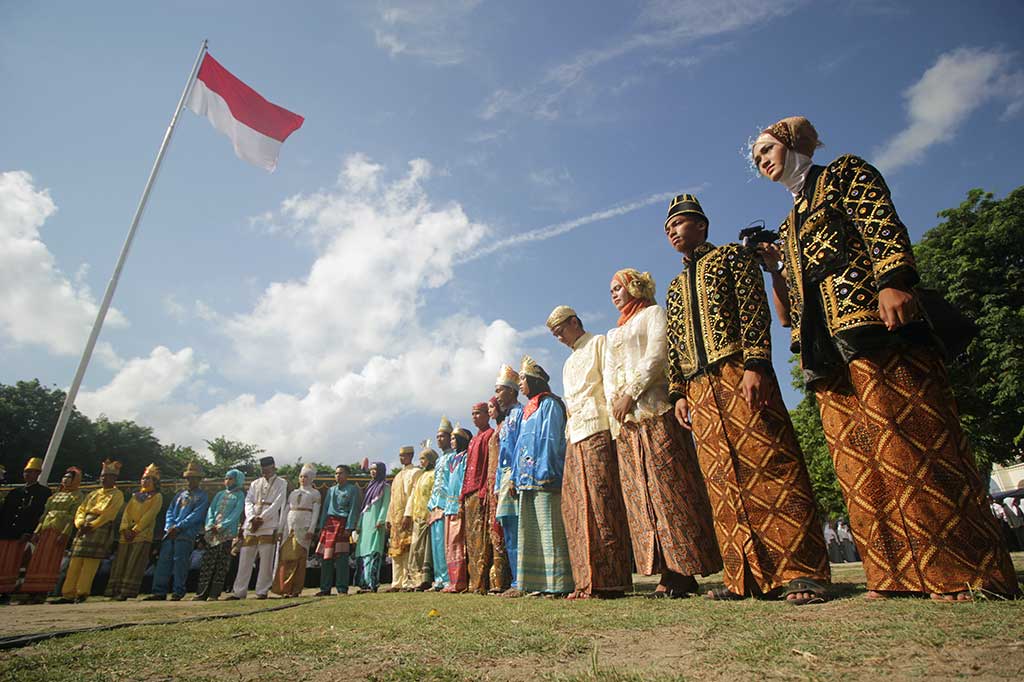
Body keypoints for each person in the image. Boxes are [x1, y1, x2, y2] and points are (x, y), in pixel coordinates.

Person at [750, 115, 1017, 601]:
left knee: (909, 439)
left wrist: (894, 280)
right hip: (826, 346)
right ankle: (891, 574)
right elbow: (789, 313)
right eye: (756, 158)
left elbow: (880, 221)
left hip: (873, 324)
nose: (762, 160)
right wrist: (774, 270)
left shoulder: (845, 172)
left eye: (767, 149)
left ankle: (962, 572)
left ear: (791, 143)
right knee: (858, 459)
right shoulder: (790, 222)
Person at [662, 194, 830, 604]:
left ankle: (802, 573)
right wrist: (678, 392)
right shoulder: (673, 287)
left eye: (679, 223)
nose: (672, 231)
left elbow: (755, 309)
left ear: (701, 225)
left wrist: (756, 363)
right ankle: (744, 578)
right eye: (668, 227)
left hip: (739, 371)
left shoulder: (731, 259)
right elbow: (674, 343)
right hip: (699, 390)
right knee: (721, 480)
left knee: (770, 463)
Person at [605, 269, 722, 598]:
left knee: (670, 490)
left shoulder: (654, 314)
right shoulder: (614, 334)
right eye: (611, 290)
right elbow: (611, 372)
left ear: (634, 286)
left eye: (619, 288)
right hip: (628, 421)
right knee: (642, 497)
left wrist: (631, 392)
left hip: (656, 409)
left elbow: (657, 356)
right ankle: (666, 570)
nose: (614, 294)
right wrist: (617, 402)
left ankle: (684, 568)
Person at [547, 306, 632, 600]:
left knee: (602, 502)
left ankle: (610, 581)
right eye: (554, 335)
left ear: (574, 322)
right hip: (576, 436)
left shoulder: (598, 343)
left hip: (598, 428)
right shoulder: (568, 363)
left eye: (560, 331)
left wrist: (614, 430)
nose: (559, 338)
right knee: (576, 506)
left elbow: (609, 387)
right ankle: (585, 581)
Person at [504, 356, 573, 598]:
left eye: (523, 379)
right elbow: (519, 445)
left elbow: (551, 439)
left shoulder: (550, 404)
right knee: (530, 533)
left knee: (549, 530)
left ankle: (557, 583)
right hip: (525, 480)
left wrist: (546, 471)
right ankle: (534, 582)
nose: (520, 383)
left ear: (534, 380)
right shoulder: (526, 411)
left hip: (545, 477)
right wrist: (514, 476)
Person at [55, 459, 125, 603]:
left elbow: (109, 514)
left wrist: (91, 525)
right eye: (103, 476)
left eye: (108, 476)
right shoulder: (93, 494)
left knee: (90, 562)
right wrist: (80, 523)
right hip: (83, 528)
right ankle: (67, 593)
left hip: (99, 528)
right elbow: (81, 509)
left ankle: (82, 592)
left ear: (115, 478)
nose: (104, 479)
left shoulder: (117, 494)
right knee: (75, 561)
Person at [145, 461, 209, 601]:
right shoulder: (179, 495)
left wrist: (179, 526)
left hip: (186, 534)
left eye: (194, 478)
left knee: (181, 563)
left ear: (199, 480)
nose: (190, 481)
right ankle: (159, 591)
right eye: (188, 478)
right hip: (170, 533)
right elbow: (170, 511)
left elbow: (197, 515)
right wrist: (169, 526)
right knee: (164, 561)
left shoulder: (202, 496)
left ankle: (178, 591)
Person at [20, 467, 84, 603]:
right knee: (37, 560)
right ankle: (31, 591)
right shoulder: (54, 496)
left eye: (69, 478)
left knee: (51, 561)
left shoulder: (77, 496)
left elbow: (72, 516)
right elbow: (44, 515)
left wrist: (65, 533)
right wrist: (37, 531)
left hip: (59, 531)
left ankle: (43, 591)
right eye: (64, 477)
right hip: (46, 529)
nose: (65, 480)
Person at [229, 456, 287, 600]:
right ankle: (239, 591)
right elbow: (248, 501)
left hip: (268, 523)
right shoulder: (255, 483)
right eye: (263, 470)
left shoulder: (281, 483)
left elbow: (278, 502)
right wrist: (251, 517)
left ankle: (262, 590)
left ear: (273, 468)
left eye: (267, 470)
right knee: (245, 558)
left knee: (266, 559)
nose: (265, 473)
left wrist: (263, 518)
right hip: (252, 522)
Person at [107, 464, 163, 601]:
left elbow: (150, 515)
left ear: (155, 482)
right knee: (121, 561)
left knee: (134, 562)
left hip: (142, 534)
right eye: (144, 478)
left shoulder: (157, 497)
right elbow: (126, 513)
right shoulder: (135, 496)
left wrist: (136, 529)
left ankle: (127, 591)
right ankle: (115, 590)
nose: (145, 481)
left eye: (149, 479)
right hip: (126, 534)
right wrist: (125, 528)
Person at [0, 457, 51, 603]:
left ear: (38, 474)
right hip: (7, 532)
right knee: (3, 563)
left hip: (24, 534)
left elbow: (38, 514)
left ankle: (9, 592)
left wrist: (29, 531)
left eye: (32, 472)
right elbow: (6, 513)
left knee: (16, 564)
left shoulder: (43, 493)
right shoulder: (15, 492)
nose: (28, 475)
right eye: (26, 472)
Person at [493, 366, 524, 592]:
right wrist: (497, 484)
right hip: (503, 479)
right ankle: (515, 579)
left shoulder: (521, 413)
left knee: (518, 527)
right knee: (508, 529)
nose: (496, 396)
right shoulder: (506, 420)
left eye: (499, 390)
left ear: (512, 391)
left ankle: (521, 580)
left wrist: (515, 476)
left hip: (515, 477)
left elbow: (521, 448)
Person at [194, 469, 246, 601]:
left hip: (226, 533)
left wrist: (222, 526)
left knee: (221, 564)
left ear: (237, 480)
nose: (227, 481)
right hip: (213, 533)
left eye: (230, 478)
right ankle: (201, 593)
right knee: (208, 563)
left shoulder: (239, 495)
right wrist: (210, 524)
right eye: (226, 478)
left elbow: (236, 513)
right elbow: (211, 509)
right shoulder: (219, 494)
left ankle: (214, 593)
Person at [461, 403, 496, 594]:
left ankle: (482, 582)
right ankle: (473, 581)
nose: (475, 417)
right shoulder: (473, 440)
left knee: (481, 539)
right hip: (469, 494)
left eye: (478, 413)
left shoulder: (489, 435)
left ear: (486, 415)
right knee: (470, 540)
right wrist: (462, 494)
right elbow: (468, 471)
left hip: (480, 492)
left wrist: (483, 490)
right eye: (472, 413)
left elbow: (488, 465)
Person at [273, 463, 321, 597]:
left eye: (305, 476)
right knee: (285, 557)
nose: (302, 479)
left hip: (304, 526)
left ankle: (295, 589)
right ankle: (282, 587)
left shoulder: (314, 493)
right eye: (301, 476)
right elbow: (286, 510)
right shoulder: (293, 493)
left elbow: (316, 512)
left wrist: (311, 528)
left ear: (311, 478)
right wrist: (281, 528)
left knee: (298, 558)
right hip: (290, 525)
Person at [315, 465, 361, 597]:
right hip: (329, 524)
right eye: (336, 473)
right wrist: (322, 526)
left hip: (342, 523)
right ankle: (325, 587)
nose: (338, 476)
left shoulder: (352, 490)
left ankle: (342, 588)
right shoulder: (331, 490)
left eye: (341, 473)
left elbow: (353, 509)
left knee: (341, 557)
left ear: (347, 475)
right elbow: (325, 508)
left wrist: (349, 526)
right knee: (326, 557)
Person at [382, 447, 422, 592]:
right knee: (395, 551)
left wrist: (408, 514)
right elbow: (392, 499)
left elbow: (413, 494)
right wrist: (388, 517)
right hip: (395, 518)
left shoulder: (416, 472)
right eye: (400, 456)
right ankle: (396, 582)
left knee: (407, 549)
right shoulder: (398, 476)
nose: (401, 458)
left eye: (404, 455)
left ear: (411, 456)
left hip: (407, 516)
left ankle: (407, 581)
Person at [484, 396, 512, 593]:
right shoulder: (496, 431)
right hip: (492, 483)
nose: (490, 410)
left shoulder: (505, 427)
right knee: (494, 529)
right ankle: (497, 581)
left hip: (502, 480)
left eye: (492, 407)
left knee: (503, 527)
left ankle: (506, 579)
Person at [441, 427, 471, 593]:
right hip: (449, 506)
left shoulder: (466, 457)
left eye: (454, 438)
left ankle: (460, 581)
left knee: (458, 543)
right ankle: (451, 581)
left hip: (458, 504)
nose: (452, 441)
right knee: (450, 544)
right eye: (451, 438)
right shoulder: (453, 459)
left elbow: (464, 480)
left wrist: (461, 501)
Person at [427, 416, 455, 590]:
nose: (439, 439)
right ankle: (438, 579)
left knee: (446, 544)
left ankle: (447, 579)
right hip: (435, 505)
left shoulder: (454, 457)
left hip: (447, 504)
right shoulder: (438, 460)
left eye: (443, 436)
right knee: (436, 544)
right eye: (437, 436)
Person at [353, 462, 390, 593]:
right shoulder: (370, 487)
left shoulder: (384, 487)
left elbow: (385, 504)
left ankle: (372, 583)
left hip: (376, 523)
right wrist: (359, 524)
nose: (373, 472)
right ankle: (363, 583)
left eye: (375, 469)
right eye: (371, 469)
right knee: (363, 553)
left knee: (373, 552)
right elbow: (364, 507)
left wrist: (381, 519)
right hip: (365, 524)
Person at [409, 449, 439, 591]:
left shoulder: (434, 474)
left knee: (426, 549)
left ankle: (426, 579)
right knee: (416, 549)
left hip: (429, 515)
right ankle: (415, 579)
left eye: (424, 458)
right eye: (420, 459)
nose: (421, 461)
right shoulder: (421, 476)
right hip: (418, 517)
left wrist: (430, 513)